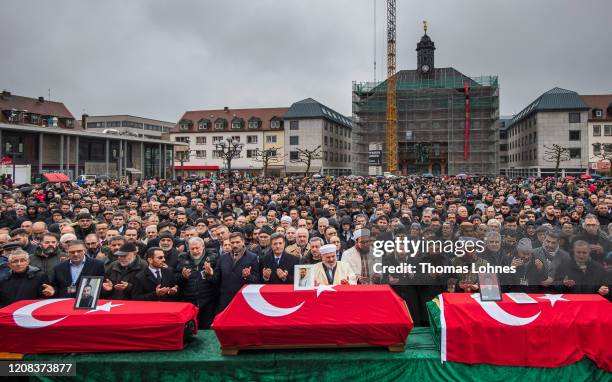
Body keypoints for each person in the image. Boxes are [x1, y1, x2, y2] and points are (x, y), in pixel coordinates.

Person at [204, 232, 260, 313]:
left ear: (243, 242)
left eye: (237, 242)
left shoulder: (252, 257)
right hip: (225, 300)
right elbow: (216, 279)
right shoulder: (223, 258)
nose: (235, 245)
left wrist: (248, 276)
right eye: (232, 242)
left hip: (244, 299)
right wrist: (210, 273)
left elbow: (257, 280)